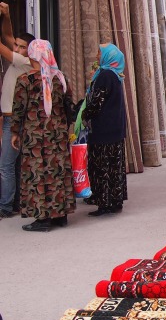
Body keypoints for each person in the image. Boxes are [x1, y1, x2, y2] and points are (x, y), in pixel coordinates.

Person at [10, 39, 75, 232]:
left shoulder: (25, 80)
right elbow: (68, 106)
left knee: (37, 174)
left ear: (32, 55)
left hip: (35, 136)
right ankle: (60, 214)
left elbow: (18, 110)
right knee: (58, 171)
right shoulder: (59, 78)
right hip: (58, 134)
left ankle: (42, 218)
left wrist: (14, 132)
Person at [82, 44, 128, 216]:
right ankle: (114, 201)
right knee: (114, 166)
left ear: (108, 56)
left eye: (100, 52)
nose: (96, 54)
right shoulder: (115, 75)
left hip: (103, 130)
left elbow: (97, 102)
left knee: (101, 166)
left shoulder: (105, 75)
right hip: (114, 129)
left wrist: (84, 114)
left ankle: (104, 204)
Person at [0, 2, 34, 219]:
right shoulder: (19, 59)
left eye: (21, 46)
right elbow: (7, 36)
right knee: (13, 164)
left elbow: (2, 43)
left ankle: (5, 206)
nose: (16, 48)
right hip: (10, 118)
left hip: (14, 120)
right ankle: (16, 203)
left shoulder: (25, 61)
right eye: (17, 45)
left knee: (5, 165)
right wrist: (7, 15)